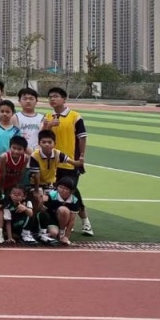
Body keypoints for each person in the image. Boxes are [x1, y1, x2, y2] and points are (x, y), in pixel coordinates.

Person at [44, 87, 92, 235]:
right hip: (52, 163)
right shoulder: (47, 116)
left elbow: (82, 137)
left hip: (70, 163)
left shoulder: (75, 116)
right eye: (50, 97)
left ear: (64, 99)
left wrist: (81, 156)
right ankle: (59, 223)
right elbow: (42, 136)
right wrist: (49, 125)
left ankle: (85, 222)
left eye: (56, 96)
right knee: (54, 193)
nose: (52, 99)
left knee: (71, 192)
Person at [40, 177, 83, 246]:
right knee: (53, 233)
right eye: (60, 187)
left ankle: (62, 232)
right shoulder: (51, 195)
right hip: (52, 219)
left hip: (64, 219)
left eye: (66, 189)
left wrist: (67, 237)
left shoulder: (74, 200)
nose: (62, 190)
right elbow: (43, 212)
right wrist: (42, 202)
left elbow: (72, 220)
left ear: (71, 191)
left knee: (63, 210)